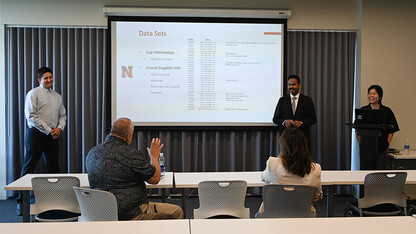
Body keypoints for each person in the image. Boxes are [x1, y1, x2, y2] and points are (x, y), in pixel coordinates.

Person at [86, 118, 183, 220]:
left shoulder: (92, 153)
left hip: (99, 213)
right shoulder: (130, 154)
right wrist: (154, 157)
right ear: (128, 137)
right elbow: (155, 179)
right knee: (176, 212)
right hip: (130, 213)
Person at [17, 67, 67, 215]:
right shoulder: (33, 94)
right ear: (39, 80)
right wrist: (48, 130)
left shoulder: (57, 96)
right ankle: (21, 202)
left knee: (53, 168)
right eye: (46, 78)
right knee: (29, 168)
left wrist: (59, 129)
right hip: (36, 135)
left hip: (53, 136)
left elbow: (63, 115)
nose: (49, 80)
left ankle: (54, 201)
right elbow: (31, 117)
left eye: (51, 77)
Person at [259, 128, 323, 215]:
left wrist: (279, 158)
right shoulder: (316, 169)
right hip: (303, 216)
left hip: (274, 215)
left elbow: (264, 178)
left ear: (283, 146)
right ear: (304, 145)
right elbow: (316, 196)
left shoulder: (272, 163)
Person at [356, 85, 399, 169]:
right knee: (365, 173)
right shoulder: (363, 110)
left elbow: (392, 129)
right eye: (369, 93)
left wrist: (387, 143)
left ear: (380, 97)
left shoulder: (387, 111)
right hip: (366, 148)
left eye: (374, 94)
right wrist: (360, 142)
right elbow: (357, 128)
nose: (371, 96)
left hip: (381, 148)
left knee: (380, 173)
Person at [272, 74, 317, 148]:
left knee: (302, 159)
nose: (291, 87)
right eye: (289, 84)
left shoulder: (307, 100)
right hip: (286, 140)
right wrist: (284, 122)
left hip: (302, 139)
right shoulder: (282, 100)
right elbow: (275, 119)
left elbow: (313, 119)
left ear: (299, 85)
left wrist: (301, 122)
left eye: (294, 84)